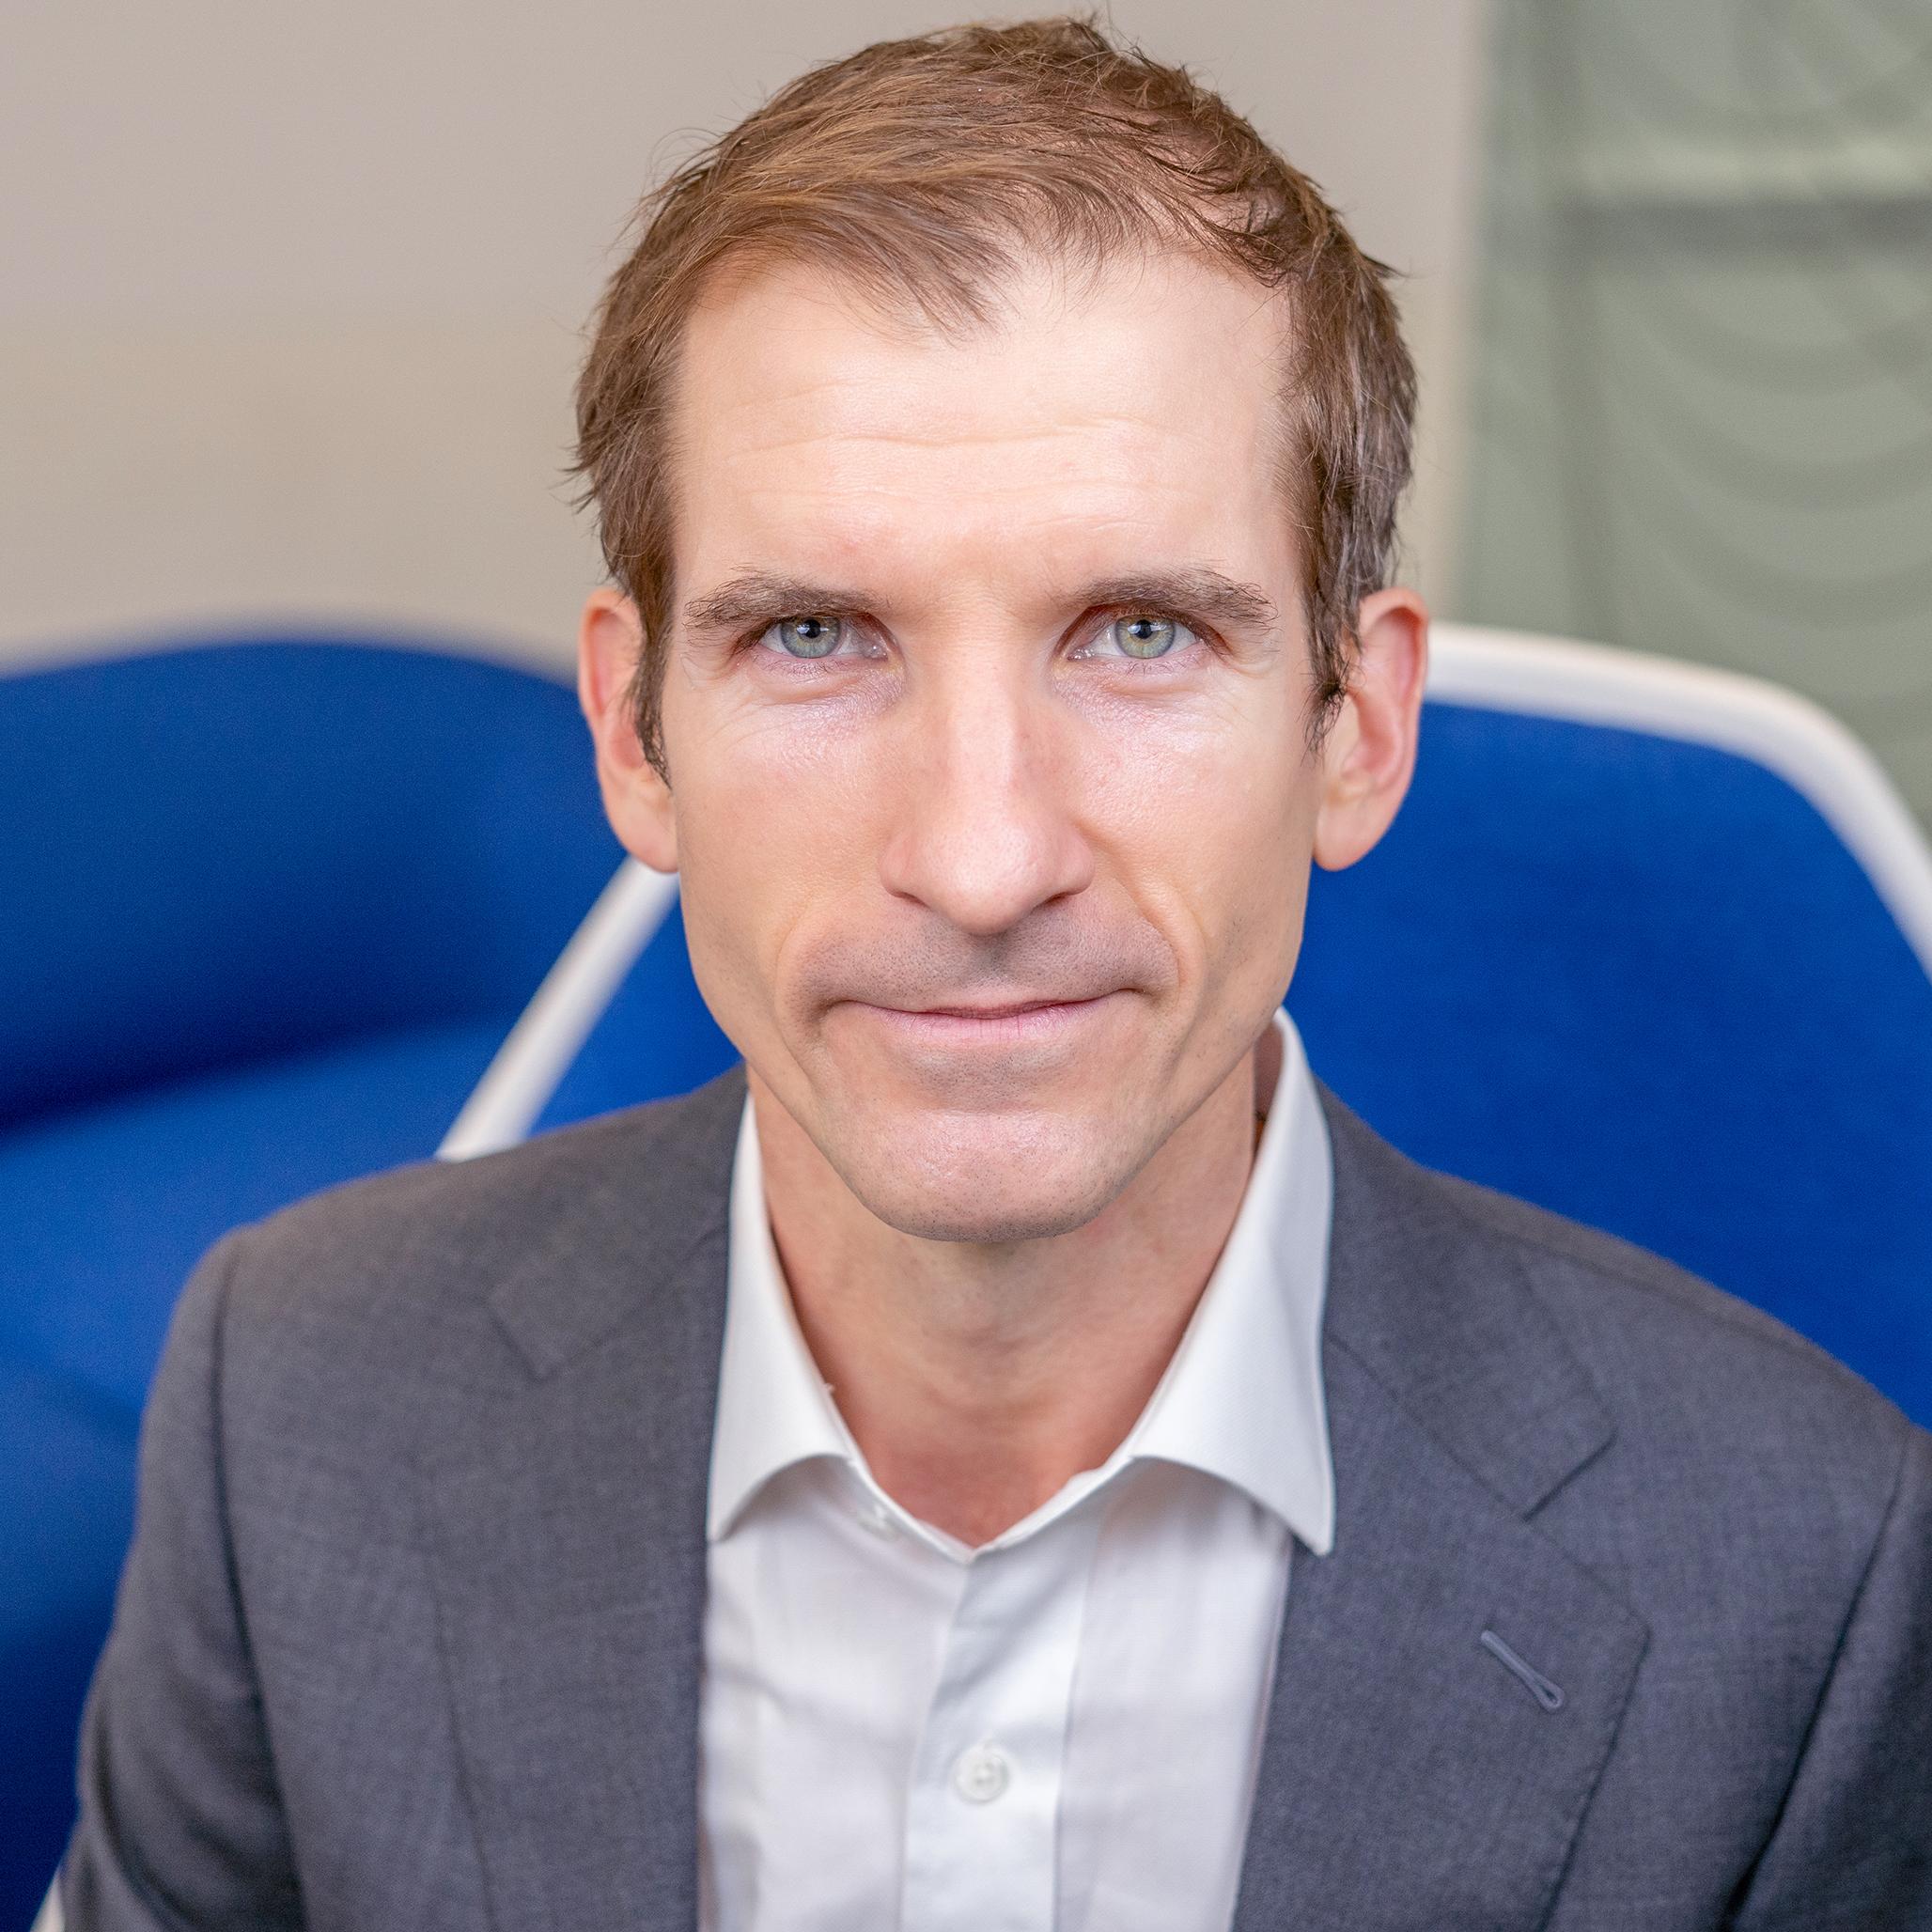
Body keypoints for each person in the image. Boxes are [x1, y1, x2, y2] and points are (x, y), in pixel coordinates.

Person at [59, 18, 1931, 1930]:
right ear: (631, 734)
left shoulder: (1805, 1584)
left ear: (1354, 725)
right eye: (813, 635)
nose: (977, 853)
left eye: (1134, 632)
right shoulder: (295, 1406)